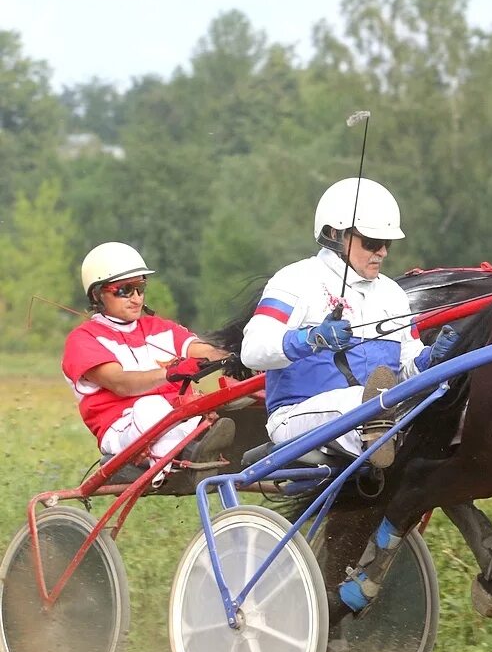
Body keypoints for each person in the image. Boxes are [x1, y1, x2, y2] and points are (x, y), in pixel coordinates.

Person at [240, 177, 435, 470]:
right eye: (372, 242)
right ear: (335, 234)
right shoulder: (295, 280)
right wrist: (310, 339)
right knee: (366, 402)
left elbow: (407, 367)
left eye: (387, 243)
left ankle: (385, 437)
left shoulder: (393, 294)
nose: (382, 252)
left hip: (380, 407)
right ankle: (381, 439)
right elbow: (252, 351)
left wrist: (431, 359)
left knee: (431, 398)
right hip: (297, 415)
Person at [62, 241, 235, 469]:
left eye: (140, 288)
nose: (137, 299)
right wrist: (170, 373)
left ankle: (193, 442)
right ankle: (189, 449)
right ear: (97, 294)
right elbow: (122, 384)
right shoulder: (83, 340)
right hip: (124, 431)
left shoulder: (160, 327)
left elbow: (204, 351)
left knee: (233, 402)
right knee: (150, 406)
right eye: (124, 290)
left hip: (176, 418)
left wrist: (237, 354)